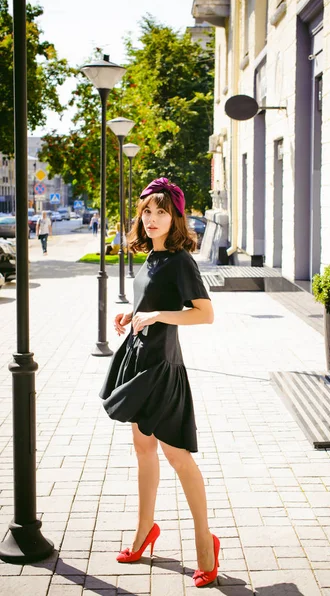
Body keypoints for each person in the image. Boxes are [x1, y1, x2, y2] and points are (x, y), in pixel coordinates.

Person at [99, 177, 219, 588]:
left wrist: (158, 317)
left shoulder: (180, 260)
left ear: (176, 216)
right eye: (146, 211)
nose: (151, 219)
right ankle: (144, 530)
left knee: (177, 455)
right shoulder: (149, 258)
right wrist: (132, 317)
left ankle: (205, 542)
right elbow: (149, 305)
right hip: (138, 360)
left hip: (162, 367)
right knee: (143, 448)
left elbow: (205, 314)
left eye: (161, 211)